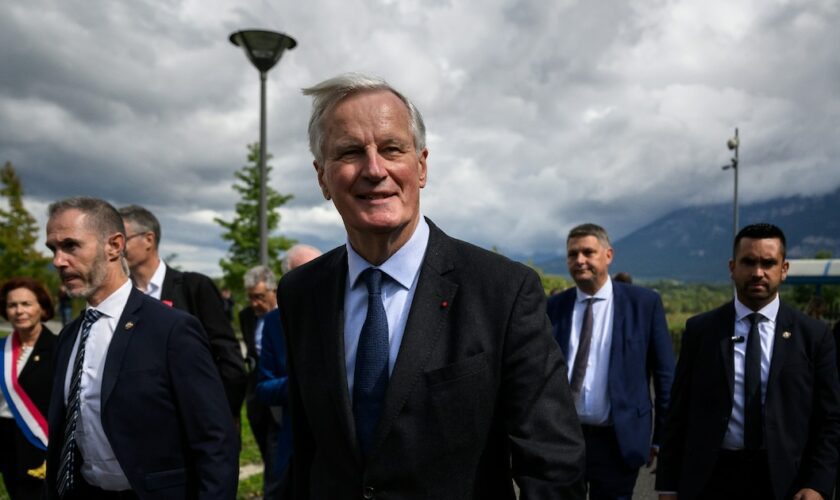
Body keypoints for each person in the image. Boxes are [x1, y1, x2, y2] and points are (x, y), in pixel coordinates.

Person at [277, 73, 585, 499]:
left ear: (420, 166)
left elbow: (553, 464)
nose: (374, 169)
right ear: (323, 178)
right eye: (349, 152)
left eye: (391, 149)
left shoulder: (503, 290)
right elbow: (304, 445)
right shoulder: (300, 293)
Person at [43, 196, 238, 499]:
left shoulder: (171, 329)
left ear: (114, 245)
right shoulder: (69, 337)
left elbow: (214, 441)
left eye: (71, 245)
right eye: (53, 249)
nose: (58, 260)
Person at [656, 223, 840, 500]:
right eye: (748, 262)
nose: (758, 272)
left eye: (768, 263)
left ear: (784, 269)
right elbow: (678, 413)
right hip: (711, 479)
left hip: (786, 483)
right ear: (732, 267)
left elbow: (830, 420)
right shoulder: (701, 331)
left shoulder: (814, 336)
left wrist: (817, 484)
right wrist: (668, 485)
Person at [546, 223, 675, 499]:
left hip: (618, 441)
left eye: (588, 252)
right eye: (572, 254)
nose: (579, 260)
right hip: (564, 439)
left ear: (608, 255)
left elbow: (665, 377)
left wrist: (663, 439)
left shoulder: (644, 304)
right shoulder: (553, 308)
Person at [118, 205, 247, 418]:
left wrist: (223, 416)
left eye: (122, 240)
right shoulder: (120, 297)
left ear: (148, 240)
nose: (115, 248)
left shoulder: (193, 288)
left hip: (196, 421)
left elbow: (228, 357)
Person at [256, 244, 323, 499]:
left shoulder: (347, 308)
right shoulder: (274, 322)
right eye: (306, 271)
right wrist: (303, 382)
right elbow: (264, 387)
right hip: (293, 445)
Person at [0, 277, 57, 500]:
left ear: (42, 308)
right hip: (5, 438)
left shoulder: (58, 348)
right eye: (12, 305)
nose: (19, 311)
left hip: (38, 442)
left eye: (26, 304)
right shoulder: (2, 349)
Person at [239, 266, 279, 466]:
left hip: (280, 389)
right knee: (264, 444)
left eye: (260, 297)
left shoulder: (286, 314)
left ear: (274, 292)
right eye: (251, 297)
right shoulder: (246, 316)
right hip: (256, 389)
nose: (255, 303)